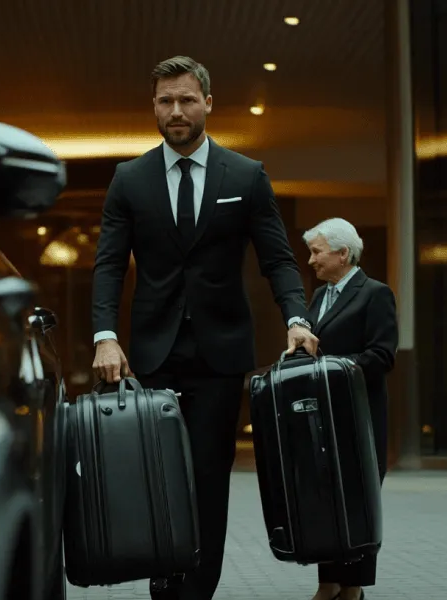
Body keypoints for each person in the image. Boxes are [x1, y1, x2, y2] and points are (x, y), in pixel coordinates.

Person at [91, 55, 318, 600]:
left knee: (208, 482)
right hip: (152, 354)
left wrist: (296, 318)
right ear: (153, 106)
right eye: (166, 100)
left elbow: (279, 260)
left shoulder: (245, 176)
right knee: (158, 478)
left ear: (208, 103)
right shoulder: (130, 179)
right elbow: (107, 264)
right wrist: (105, 335)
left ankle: (195, 591)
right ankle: (165, 580)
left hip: (220, 357)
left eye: (186, 99)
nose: (176, 110)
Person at [302, 218, 398, 600]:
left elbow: (382, 355)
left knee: (360, 504)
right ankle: (328, 584)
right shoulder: (318, 296)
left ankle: (353, 588)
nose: (310, 261)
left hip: (360, 419)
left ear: (343, 254)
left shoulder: (375, 294)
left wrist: (332, 368)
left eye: (316, 252)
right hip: (325, 418)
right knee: (327, 502)